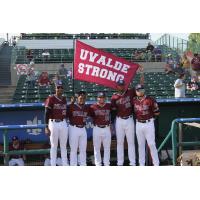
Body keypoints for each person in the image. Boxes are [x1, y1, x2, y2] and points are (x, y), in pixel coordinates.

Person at [132, 84, 160, 166]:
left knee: (151, 144)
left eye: (142, 90)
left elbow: (157, 112)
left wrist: (151, 118)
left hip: (149, 123)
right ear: (136, 92)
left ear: (144, 90)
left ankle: (156, 164)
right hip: (138, 124)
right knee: (140, 145)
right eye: (138, 90)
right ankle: (141, 164)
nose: (140, 92)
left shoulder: (150, 99)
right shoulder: (133, 100)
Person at [111, 80, 137, 166]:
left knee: (131, 142)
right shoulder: (114, 97)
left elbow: (140, 86)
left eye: (122, 85)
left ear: (124, 85)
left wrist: (141, 73)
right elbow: (113, 110)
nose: (121, 86)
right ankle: (120, 163)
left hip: (129, 119)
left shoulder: (130, 92)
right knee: (119, 142)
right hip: (119, 120)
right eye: (119, 85)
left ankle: (132, 163)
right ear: (117, 86)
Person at [44, 81, 69, 166]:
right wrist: (46, 126)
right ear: (55, 88)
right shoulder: (51, 98)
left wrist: (72, 103)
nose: (60, 89)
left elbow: (66, 112)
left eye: (61, 87)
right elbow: (46, 112)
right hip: (53, 123)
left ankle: (65, 164)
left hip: (63, 122)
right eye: (58, 87)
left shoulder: (64, 99)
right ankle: (53, 165)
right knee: (54, 146)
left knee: (63, 145)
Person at [68, 91, 90, 166]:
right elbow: (65, 114)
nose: (82, 99)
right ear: (77, 98)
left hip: (83, 129)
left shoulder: (87, 107)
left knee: (83, 150)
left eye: (84, 98)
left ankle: (83, 165)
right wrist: (71, 103)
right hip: (74, 128)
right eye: (80, 98)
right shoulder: (72, 106)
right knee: (73, 150)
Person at [90, 92, 111, 166]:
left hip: (106, 128)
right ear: (97, 98)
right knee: (96, 148)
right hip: (97, 128)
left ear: (105, 98)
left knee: (107, 148)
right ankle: (98, 164)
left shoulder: (109, 106)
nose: (101, 99)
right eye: (100, 97)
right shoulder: (93, 107)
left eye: (103, 97)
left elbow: (114, 113)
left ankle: (106, 164)